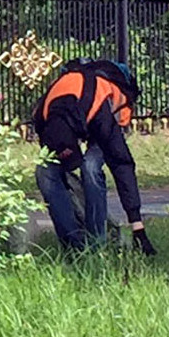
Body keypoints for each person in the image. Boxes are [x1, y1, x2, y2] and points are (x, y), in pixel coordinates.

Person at [32, 57, 155, 255]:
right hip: (72, 117)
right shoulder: (43, 118)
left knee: (89, 167)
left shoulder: (100, 113)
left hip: (102, 110)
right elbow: (55, 152)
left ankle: (97, 244)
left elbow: (121, 163)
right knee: (44, 172)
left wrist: (137, 226)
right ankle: (73, 246)